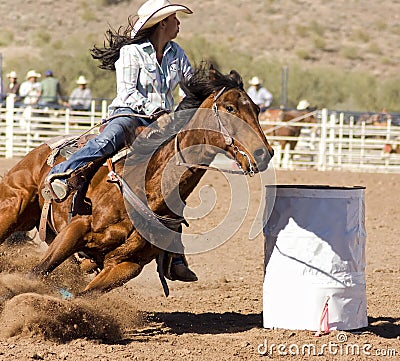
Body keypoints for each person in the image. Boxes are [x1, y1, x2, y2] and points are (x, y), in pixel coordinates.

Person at [43, 0, 196, 282]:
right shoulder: (131, 53)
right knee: (110, 137)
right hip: (131, 114)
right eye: (174, 18)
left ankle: (174, 253)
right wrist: (158, 112)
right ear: (162, 23)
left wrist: (184, 111)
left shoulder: (178, 54)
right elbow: (127, 92)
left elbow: (190, 87)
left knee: (176, 177)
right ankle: (62, 174)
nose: (178, 23)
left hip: (163, 124)